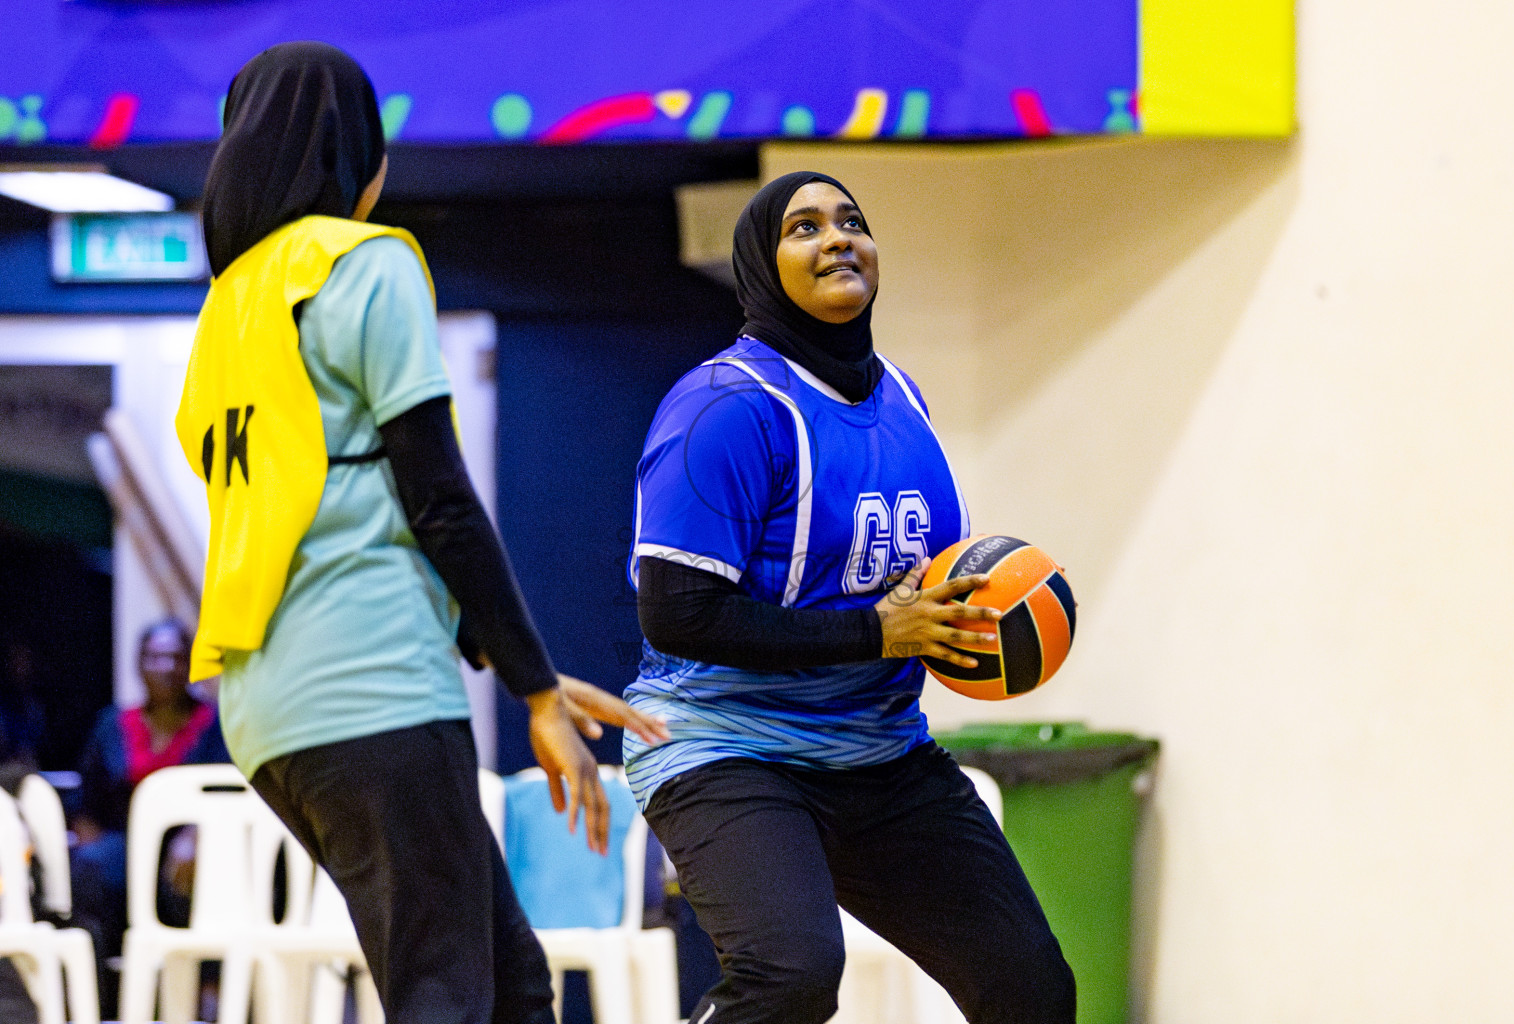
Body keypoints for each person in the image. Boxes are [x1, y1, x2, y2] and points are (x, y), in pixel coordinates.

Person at [178, 42, 666, 1024]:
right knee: (444, 993)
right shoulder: (364, 266)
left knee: (513, 989)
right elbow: (435, 493)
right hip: (373, 688)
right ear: (359, 154)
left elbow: (329, 510)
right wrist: (533, 688)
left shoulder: (228, 308)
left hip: (270, 713)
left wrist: (507, 652)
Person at [625, 172, 1077, 1024]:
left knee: (1030, 985)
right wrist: (880, 632)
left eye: (852, 222)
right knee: (790, 978)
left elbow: (893, 586)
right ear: (763, 265)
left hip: (878, 752)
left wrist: (947, 619)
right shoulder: (724, 408)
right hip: (730, 748)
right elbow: (677, 614)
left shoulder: (904, 398)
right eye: (804, 228)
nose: (837, 238)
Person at [70, 617, 229, 1014]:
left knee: (201, 877)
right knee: (90, 869)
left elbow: (227, 792)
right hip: (125, 846)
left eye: (177, 658)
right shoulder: (112, 724)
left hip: (190, 846)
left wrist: (196, 834)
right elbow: (85, 802)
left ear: (190, 664)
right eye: (156, 657)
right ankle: (98, 999)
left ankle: (202, 998)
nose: (167, 667)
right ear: (140, 663)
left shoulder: (214, 725)